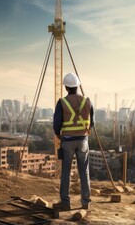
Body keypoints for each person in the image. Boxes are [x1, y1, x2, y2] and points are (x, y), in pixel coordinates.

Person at [53, 72, 94, 210]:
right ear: (77, 86)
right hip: (83, 141)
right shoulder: (87, 101)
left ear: (66, 87)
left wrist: (58, 135)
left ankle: (65, 202)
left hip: (68, 141)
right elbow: (92, 123)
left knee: (66, 172)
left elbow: (56, 124)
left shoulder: (62, 102)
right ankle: (86, 202)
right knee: (84, 171)